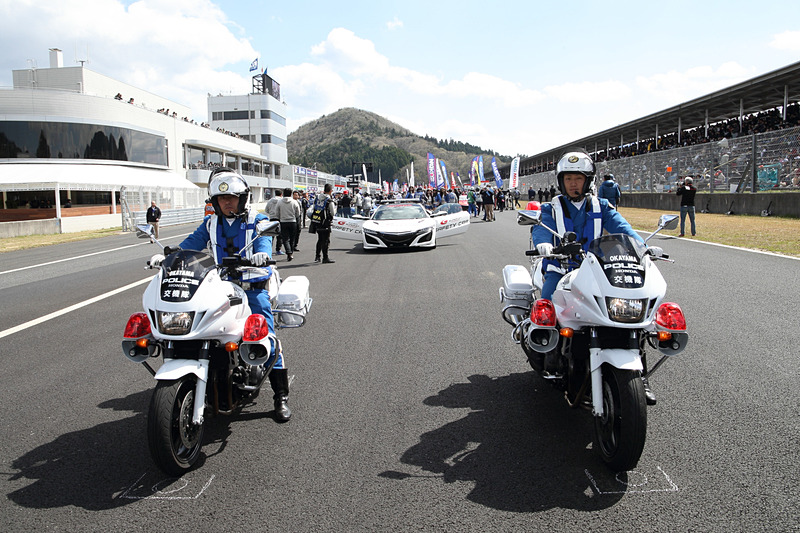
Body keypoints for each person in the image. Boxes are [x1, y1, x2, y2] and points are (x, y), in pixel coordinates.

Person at [155, 167, 292, 421]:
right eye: (221, 199)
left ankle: (280, 396)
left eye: (232, 198)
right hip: (223, 289)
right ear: (215, 202)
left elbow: (264, 241)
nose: (227, 202)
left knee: (266, 338)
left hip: (253, 290)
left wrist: (263, 253)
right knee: (202, 325)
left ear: (243, 198)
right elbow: (188, 246)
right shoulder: (211, 223)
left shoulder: (257, 220)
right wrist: (168, 256)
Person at [531, 151, 655, 404]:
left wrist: (643, 247)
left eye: (578, 178)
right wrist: (544, 245)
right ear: (560, 181)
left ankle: (640, 375)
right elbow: (539, 229)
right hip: (561, 268)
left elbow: (623, 228)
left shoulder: (603, 206)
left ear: (588, 181)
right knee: (547, 303)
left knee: (632, 314)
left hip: (598, 269)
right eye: (568, 179)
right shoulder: (549, 207)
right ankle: (549, 351)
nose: (573, 183)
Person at [311, 183, 336, 263]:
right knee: (326, 240)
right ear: (331, 191)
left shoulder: (317, 198)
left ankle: (317, 256)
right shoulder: (329, 200)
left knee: (319, 239)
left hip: (317, 220)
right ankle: (325, 257)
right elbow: (332, 213)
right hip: (325, 222)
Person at [277, 188, 301, 262]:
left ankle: (288, 252)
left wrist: (280, 218)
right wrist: (295, 217)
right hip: (292, 221)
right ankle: (291, 252)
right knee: (292, 238)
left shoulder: (280, 202)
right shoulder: (294, 202)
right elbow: (298, 213)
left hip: (283, 221)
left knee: (285, 238)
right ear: (291, 194)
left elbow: (276, 212)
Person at [265, 189, 284, 255]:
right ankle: (278, 250)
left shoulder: (270, 201)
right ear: (281, 194)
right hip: (280, 218)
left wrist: (271, 213)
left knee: (271, 235)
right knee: (280, 235)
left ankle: (269, 249)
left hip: (272, 218)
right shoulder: (281, 201)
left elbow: (266, 210)